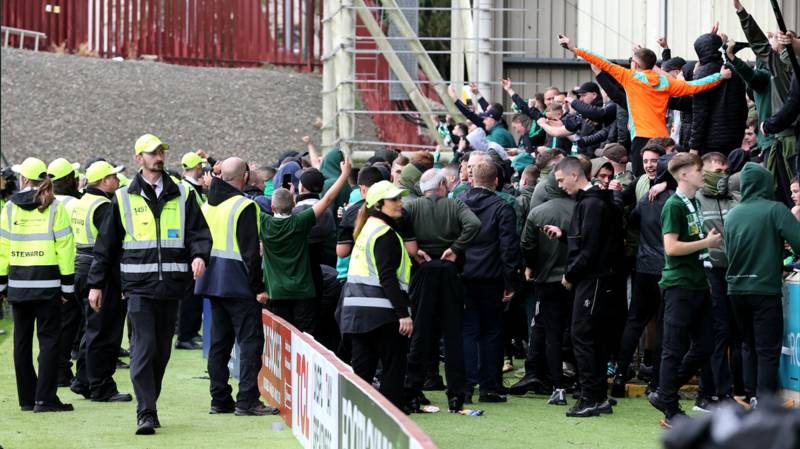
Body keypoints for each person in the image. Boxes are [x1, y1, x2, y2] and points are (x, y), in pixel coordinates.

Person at [87, 133, 212, 435]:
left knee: (161, 352)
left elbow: (199, 232)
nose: (158, 157)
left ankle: (149, 401)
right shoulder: (122, 198)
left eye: (161, 152)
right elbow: (106, 246)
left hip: (171, 286)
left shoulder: (183, 194)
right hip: (138, 287)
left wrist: (199, 256)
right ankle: (146, 411)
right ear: (138, 158)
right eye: (152, 153)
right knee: (143, 348)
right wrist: (96, 283)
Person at [557, 34, 731, 175]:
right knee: (663, 176)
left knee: (642, 178)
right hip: (663, 138)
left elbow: (602, 61)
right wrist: (719, 77)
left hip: (641, 138)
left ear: (635, 64)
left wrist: (573, 48)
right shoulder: (665, 82)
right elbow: (694, 86)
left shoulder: (629, 78)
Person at [194, 158, 277, 416]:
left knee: (220, 344)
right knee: (250, 343)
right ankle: (247, 399)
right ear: (245, 176)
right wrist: (259, 287)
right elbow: (250, 254)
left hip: (212, 283)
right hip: (239, 284)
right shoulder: (244, 206)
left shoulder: (208, 204)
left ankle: (219, 399)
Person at [543, 156, 623, 417]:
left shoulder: (592, 204)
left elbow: (589, 250)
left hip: (592, 280)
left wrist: (570, 275)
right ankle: (597, 396)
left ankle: (589, 397)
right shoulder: (595, 201)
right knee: (594, 338)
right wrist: (565, 236)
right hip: (598, 279)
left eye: (561, 179)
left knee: (583, 336)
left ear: (575, 175)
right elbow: (590, 241)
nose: (560, 185)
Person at [648, 153, 721, 426]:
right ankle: (669, 408)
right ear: (683, 175)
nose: (703, 172)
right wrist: (706, 244)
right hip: (678, 285)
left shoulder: (693, 201)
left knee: (705, 345)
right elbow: (671, 248)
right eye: (699, 169)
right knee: (673, 348)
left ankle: (664, 392)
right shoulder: (673, 206)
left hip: (697, 283)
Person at [0, 157, 76, 412]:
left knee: (21, 342)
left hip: (19, 285)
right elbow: (65, 250)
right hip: (48, 285)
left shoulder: (9, 208)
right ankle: (45, 399)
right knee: (49, 342)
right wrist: (68, 286)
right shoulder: (55, 207)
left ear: (23, 179)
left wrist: (1, 284)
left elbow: (2, 249)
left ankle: (26, 399)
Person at [403, 169, 481, 413]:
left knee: (420, 334)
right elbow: (474, 224)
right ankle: (457, 395)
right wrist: (456, 248)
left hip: (422, 270)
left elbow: (399, 229)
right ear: (443, 185)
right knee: (453, 335)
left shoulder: (413, 207)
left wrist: (415, 252)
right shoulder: (454, 205)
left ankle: (413, 393)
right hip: (449, 270)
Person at [725, 162, 800, 408]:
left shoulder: (733, 214)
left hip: (735, 289)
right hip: (764, 288)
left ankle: (750, 395)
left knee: (748, 344)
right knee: (768, 349)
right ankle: (765, 401)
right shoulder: (775, 209)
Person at [338, 180, 413, 410]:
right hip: (383, 314)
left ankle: (357, 420)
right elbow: (387, 277)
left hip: (357, 313)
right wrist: (403, 314)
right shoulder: (385, 233)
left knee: (363, 372)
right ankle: (392, 421)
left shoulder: (367, 228)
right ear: (379, 205)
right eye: (394, 199)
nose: (400, 203)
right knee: (393, 369)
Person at [261, 157, 351, 333]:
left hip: (276, 292)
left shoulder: (264, 222)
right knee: (305, 336)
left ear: (272, 207)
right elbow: (327, 199)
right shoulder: (300, 222)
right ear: (293, 204)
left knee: (281, 336)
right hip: (303, 292)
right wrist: (344, 174)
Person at [69, 161, 132, 403]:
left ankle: (83, 380)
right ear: (104, 181)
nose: (117, 181)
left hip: (80, 269)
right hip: (100, 273)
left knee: (91, 329)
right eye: (113, 177)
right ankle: (101, 386)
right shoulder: (104, 206)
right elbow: (111, 245)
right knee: (105, 331)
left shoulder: (81, 202)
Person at [460, 162, 520, 403]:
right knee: (491, 332)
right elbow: (508, 249)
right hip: (491, 278)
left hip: (464, 276)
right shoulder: (502, 208)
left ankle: (465, 386)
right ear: (496, 182)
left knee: (468, 331)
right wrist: (511, 282)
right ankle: (489, 386)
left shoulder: (460, 204)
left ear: (472, 179)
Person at [518, 172, 576, 405]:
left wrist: (531, 267)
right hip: (577, 281)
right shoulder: (581, 209)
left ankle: (558, 387)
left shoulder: (537, 212)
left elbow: (527, 245)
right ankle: (582, 384)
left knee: (551, 334)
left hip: (547, 281)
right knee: (578, 334)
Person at [694, 152, 742, 409]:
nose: (722, 176)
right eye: (716, 171)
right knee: (717, 332)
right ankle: (711, 393)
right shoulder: (695, 199)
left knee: (735, 332)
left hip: (736, 271)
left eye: (725, 171)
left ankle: (733, 391)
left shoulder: (737, 198)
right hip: (709, 272)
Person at [47, 157, 84, 386]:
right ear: (70, 179)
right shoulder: (74, 205)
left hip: (44, 271)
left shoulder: (44, 202)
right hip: (69, 271)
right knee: (69, 324)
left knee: (50, 326)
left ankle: (54, 368)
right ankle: (60, 370)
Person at [689, 33, 748, 156]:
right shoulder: (733, 70)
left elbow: (700, 112)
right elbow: (743, 107)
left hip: (711, 140)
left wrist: (694, 146)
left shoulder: (702, 74)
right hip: (735, 135)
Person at [175, 151, 209, 350]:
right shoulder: (188, 191)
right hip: (189, 249)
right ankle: (185, 335)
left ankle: (188, 333)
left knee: (192, 294)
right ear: (197, 168)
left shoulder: (190, 189)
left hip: (190, 248)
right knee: (189, 295)